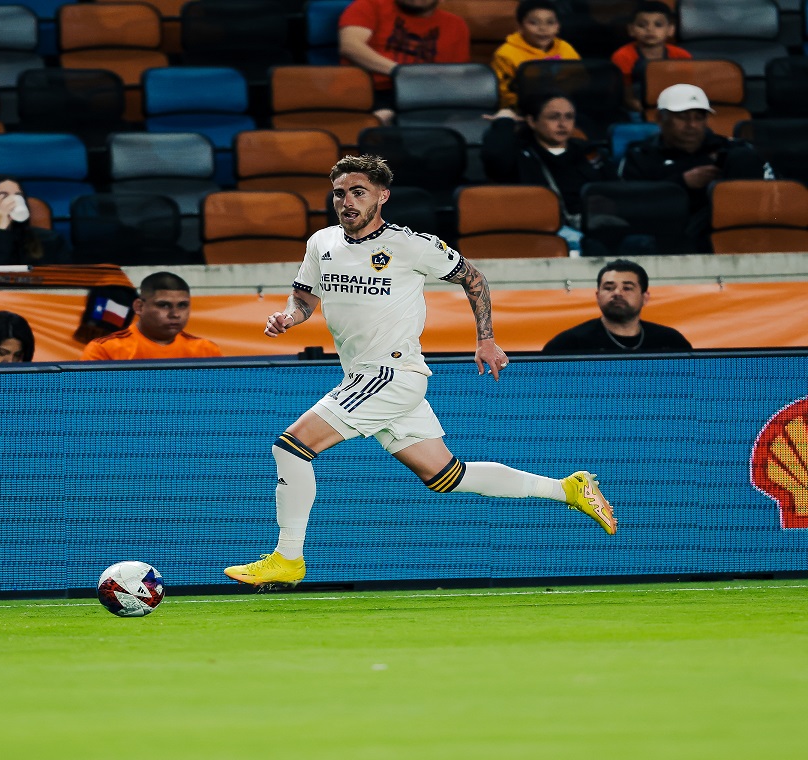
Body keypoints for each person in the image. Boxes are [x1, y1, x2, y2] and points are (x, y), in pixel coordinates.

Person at [222, 154, 617, 590]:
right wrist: (287, 318)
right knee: (447, 476)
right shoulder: (321, 243)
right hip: (365, 376)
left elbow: (474, 278)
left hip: (389, 374)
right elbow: (303, 300)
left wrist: (485, 339)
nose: (347, 202)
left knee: (290, 447)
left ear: (382, 196)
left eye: (358, 192)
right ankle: (569, 488)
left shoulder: (412, 245)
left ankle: (288, 558)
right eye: (339, 193)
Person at [618, 83, 767, 250]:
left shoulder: (729, 150)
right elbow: (629, 206)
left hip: (722, 232)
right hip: (664, 233)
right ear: (660, 118)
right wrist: (682, 183)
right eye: (682, 117)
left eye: (699, 117)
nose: (692, 125)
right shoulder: (640, 154)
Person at [480, 91, 612, 226]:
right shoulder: (519, 153)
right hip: (541, 229)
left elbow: (613, 190)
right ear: (532, 121)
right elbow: (495, 160)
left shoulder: (587, 151)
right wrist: (504, 122)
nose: (562, 124)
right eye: (554, 117)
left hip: (596, 224)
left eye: (569, 117)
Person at [338, 0, 471, 117]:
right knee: (384, 115)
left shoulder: (456, 24)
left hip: (427, 93)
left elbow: (455, 75)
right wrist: (400, 71)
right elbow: (350, 46)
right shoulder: (369, 5)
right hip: (373, 89)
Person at [542, 260, 692, 353]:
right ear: (597, 296)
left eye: (627, 288)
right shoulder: (568, 345)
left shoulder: (670, 342)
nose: (617, 293)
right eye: (608, 288)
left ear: (645, 298)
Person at [80, 272, 223, 361]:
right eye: (164, 305)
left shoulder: (206, 350)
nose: (175, 314)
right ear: (139, 307)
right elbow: (90, 405)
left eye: (182, 305)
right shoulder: (104, 349)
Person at [0, 176, 72, 267]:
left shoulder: (50, 239)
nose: (13, 201)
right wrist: (1, 228)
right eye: (3, 196)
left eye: (18, 195)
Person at [491, 0, 581, 110]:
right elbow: (505, 95)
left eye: (550, 22)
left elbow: (580, 81)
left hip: (565, 107)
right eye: (534, 23)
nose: (543, 28)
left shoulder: (565, 48)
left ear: (558, 26)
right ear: (520, 26)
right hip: (524, 110)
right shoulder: (505, 54)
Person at [610, 1, 692, 113]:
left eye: (658, 25)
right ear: (631, 30)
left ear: (670, 30)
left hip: (674, 107)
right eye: (642, 25)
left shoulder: (681, 55)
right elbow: (627, 97)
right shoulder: (622, 56)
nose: (650, 29)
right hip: (638, 109)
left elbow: (687, 88)